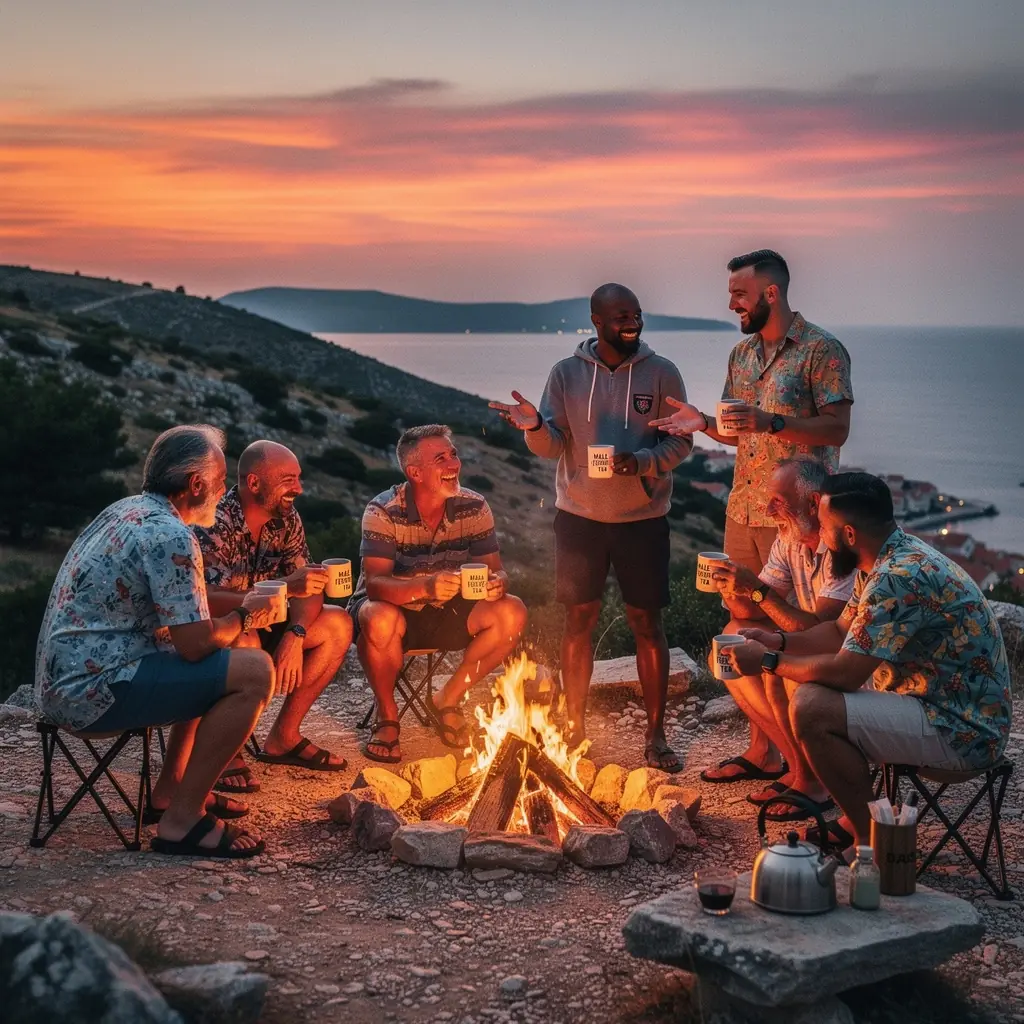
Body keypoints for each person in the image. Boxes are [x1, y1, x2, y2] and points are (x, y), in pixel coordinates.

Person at [727, 473, 1012, 852]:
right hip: (936, 705)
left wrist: (767, 660)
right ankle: (857, 820)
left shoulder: (897, 577)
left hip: (962, 730)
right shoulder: (883, 557)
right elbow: (838, 632)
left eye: (824, 527)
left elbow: (846, 673)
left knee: (813, 708)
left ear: (848, 534)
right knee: (811, 688)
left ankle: (870, 844)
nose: (820, 535)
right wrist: (778, 641)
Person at [650, 249, 853, 782]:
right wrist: (702, 423)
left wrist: (773, 421)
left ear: (771, 293)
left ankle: (811, 760)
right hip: (743, 510)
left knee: (793, 631)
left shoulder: (822, 350)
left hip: (797, 519)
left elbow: (837, 428)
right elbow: (737, 428)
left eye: (740, 294)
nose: (732, 304)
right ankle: (763, 749)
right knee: (742, 626)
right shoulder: (741, 354)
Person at [35, 425, 277, 859]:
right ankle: (182, 820)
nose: (224, 493)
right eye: (221, 482)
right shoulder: (171, 535)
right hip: (93, 693)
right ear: (196, 484)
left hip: (63, 683)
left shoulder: (124, 510)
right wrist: (246, 614)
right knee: (255, 671)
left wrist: (227, 628)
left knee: (224, 655)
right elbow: (195, 644)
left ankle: (173, 791)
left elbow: (187, 634)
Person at [490, 283, 692, 771]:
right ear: (597, 321)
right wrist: (533, 427)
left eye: (636, 314)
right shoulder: (566, 373)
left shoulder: (662, 372)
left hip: (643, 520)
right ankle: (574, 727)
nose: (633, 322)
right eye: (621, 316)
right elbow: (551, 446)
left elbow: (681, 443)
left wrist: (641, 461)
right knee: (578, 622)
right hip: (579, 518)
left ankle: (656, 735)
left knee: (648, 624)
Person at [350, 424, 527, 763]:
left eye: (453, 455)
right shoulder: (383, 510)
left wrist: (498, 583)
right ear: (415, 472)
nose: (454, 464)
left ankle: (448, 698)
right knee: (378, 616)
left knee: (512, 611)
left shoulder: (474, 506)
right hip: (392, 609)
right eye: (441, 459)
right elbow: (375, 585)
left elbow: (496, 568)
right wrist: (426, 586)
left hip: (448, 610)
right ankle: (386, 714)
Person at [698, 457, 855, 822]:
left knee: (773, 666)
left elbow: (822, 631)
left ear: (813, 502)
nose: (768, 510)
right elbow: (753, 609)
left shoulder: (841, 547)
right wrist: (731, 586)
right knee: (732, 637)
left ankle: (815, 781)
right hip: (812, 642)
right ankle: (797, 767)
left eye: (778, 501)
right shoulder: (790, 539)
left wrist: (755, 591)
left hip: (849, 657)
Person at [196, 441, 352, 787]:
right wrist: (284, 587)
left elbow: (308, 584)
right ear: (254, 483)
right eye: (288, 480)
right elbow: (206, 599)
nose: (299, 488)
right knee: (246, 639)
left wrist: (296, 634)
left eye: (298, 478)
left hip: (269, 622)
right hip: (219, 628)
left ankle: (284, 736)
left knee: (338, 624)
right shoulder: (215, 521)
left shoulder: (287, 518)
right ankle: (225, 750)